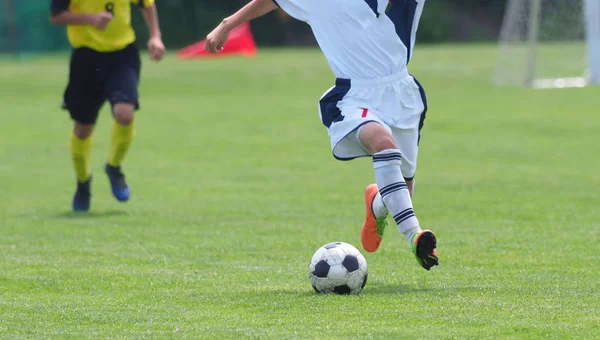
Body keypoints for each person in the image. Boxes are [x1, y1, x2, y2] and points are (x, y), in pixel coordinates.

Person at [206, 0, 438, 270]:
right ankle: (415, 235)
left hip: (403, 95)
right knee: (384, 145)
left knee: (404, 186)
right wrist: (227, 24)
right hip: (354, 96)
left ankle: (376, 204)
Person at [50, 0, 166, 212]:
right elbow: (56, 16)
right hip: (86, 58)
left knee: (124, 114)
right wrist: (90, 19)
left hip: (122, 55)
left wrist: (155, 36)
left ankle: (114, 167)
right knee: (82, 130)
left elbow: (146, 4)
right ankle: (83, 182)